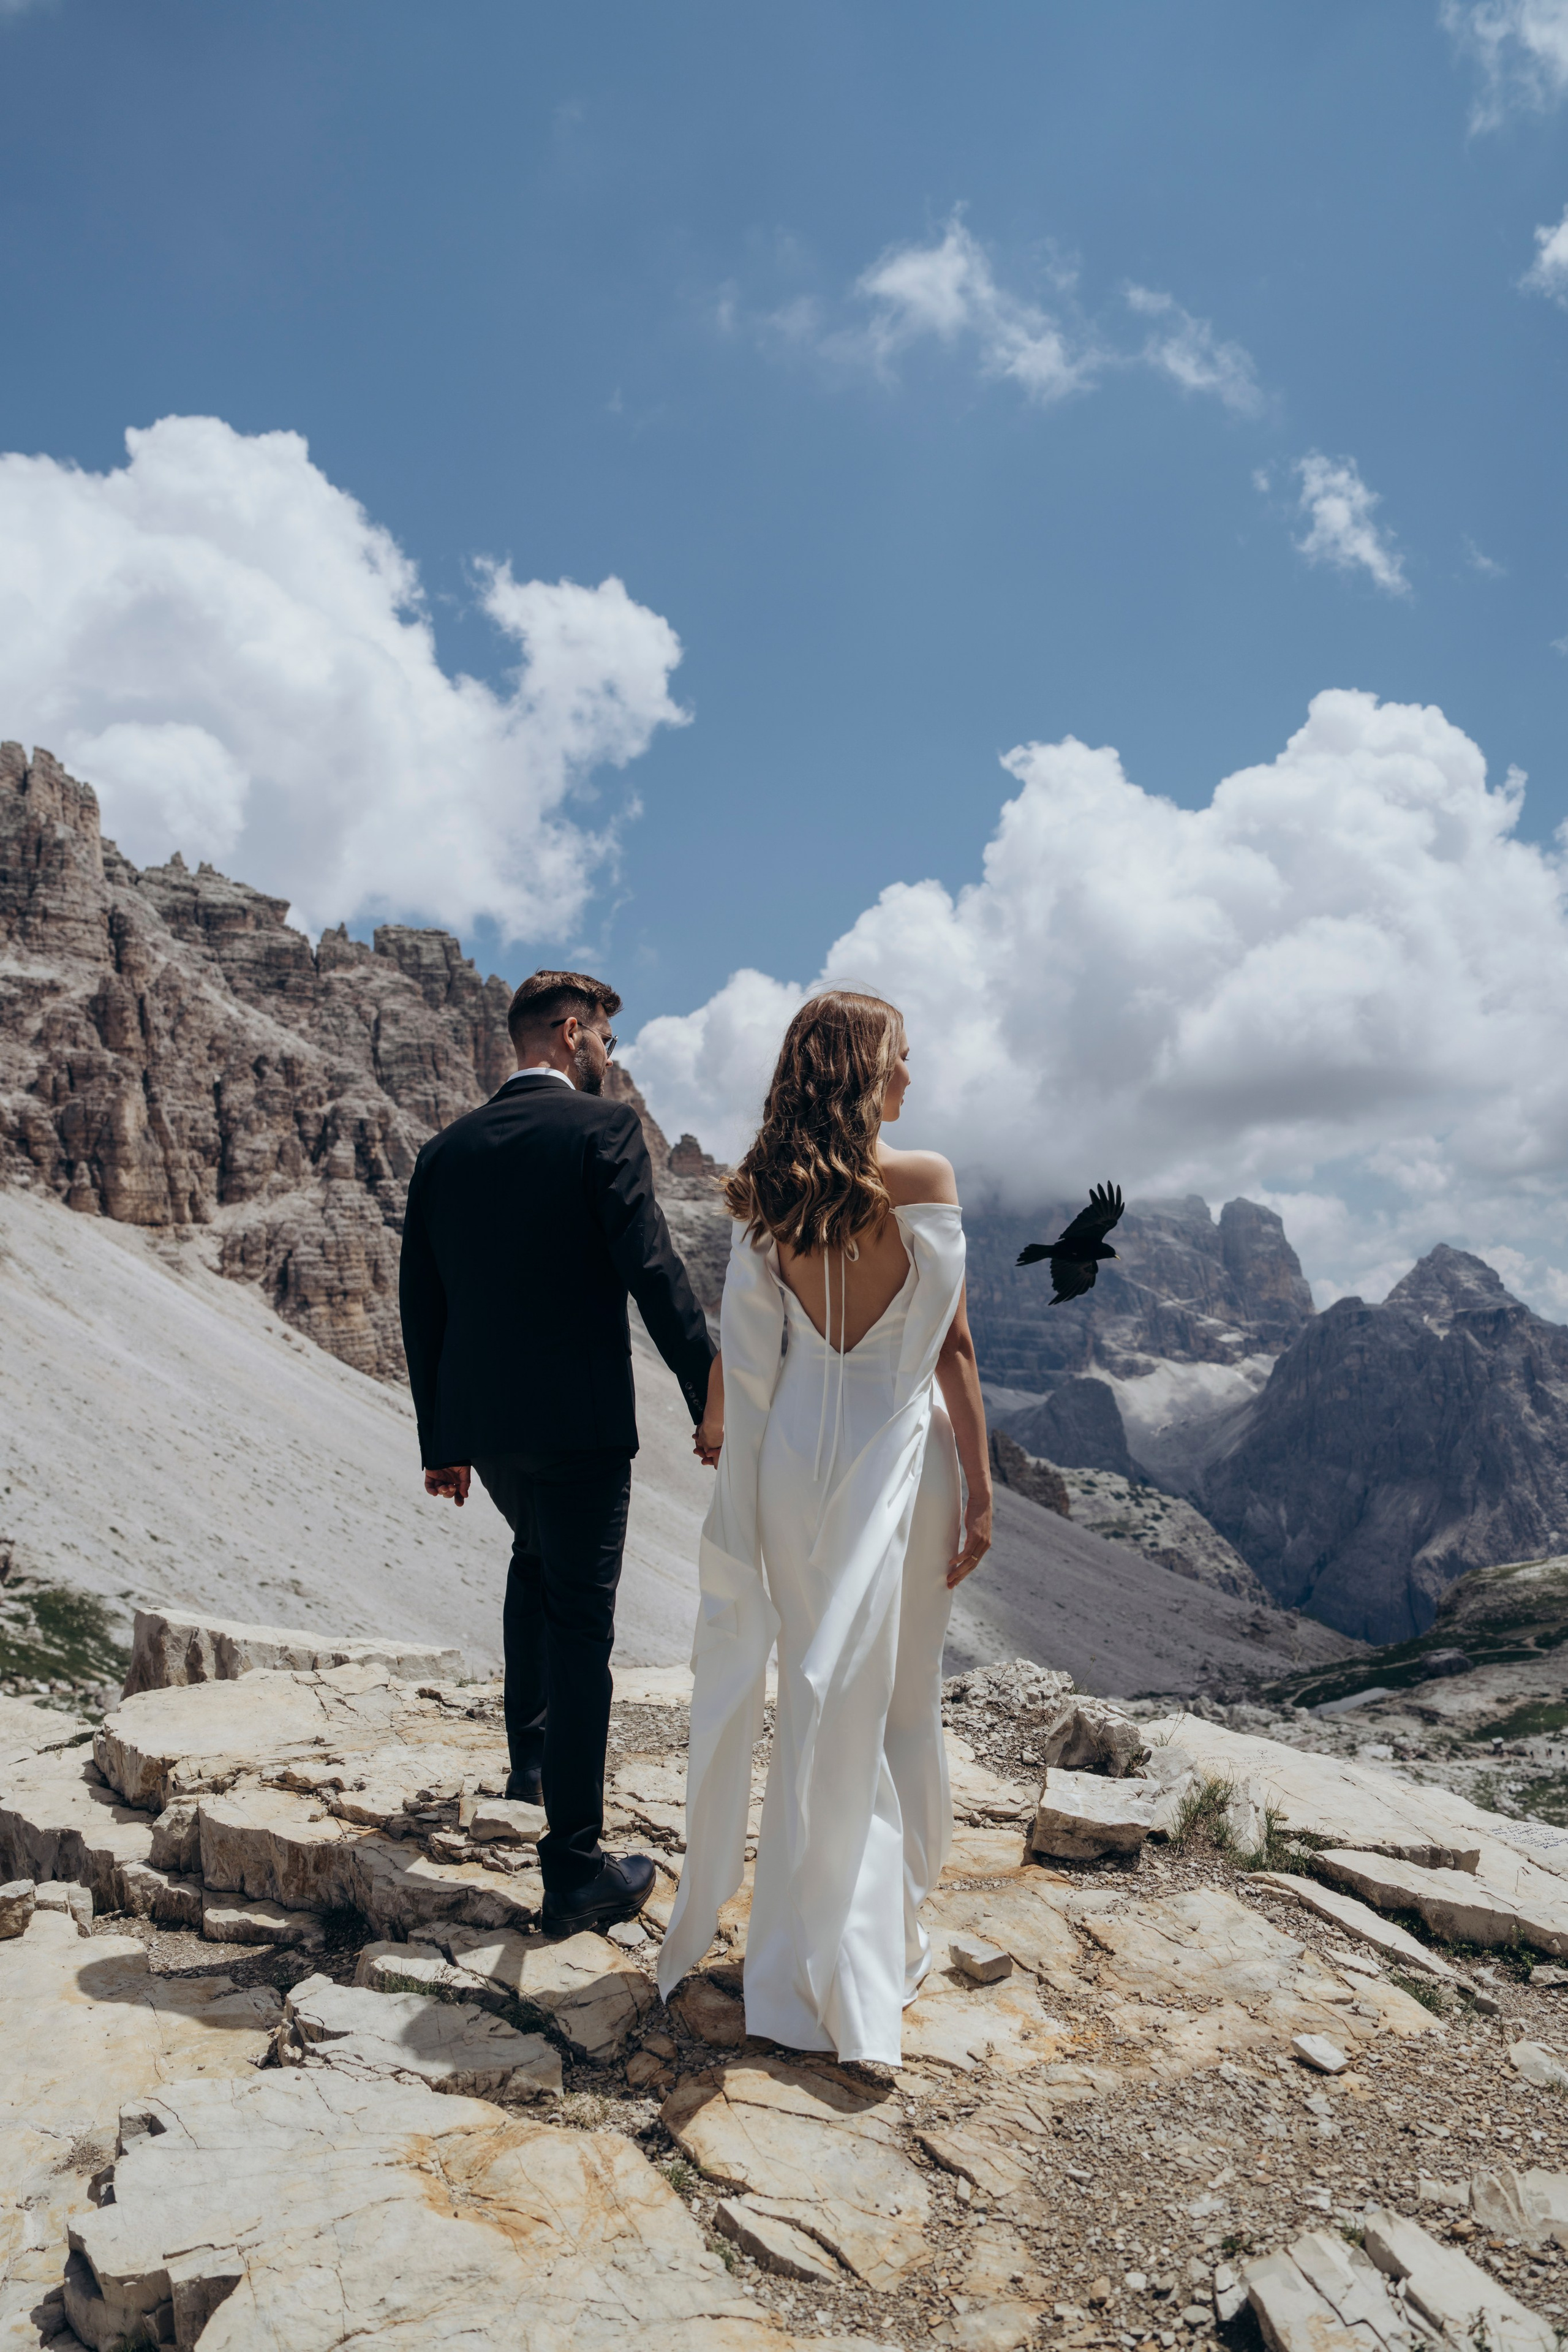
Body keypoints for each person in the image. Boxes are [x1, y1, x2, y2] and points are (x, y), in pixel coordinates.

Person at [657, 988, 992, 2063]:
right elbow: (954, 1349)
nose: (911, 1078)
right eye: (900, 1058)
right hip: (901, 1450)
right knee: (898, 1695)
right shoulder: (925, 1179)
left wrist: (726, 1439)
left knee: (813, 1691)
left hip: (794, 1459)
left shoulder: (767, 1193)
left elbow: (746, 1347)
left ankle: (799, 1955)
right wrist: (982, 1490)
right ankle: (875, 1941)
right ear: (862, 1069)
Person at [398, 969, 718, 1936]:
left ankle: (529, 1769)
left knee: (532, 1562)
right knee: (582, 1626)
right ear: (572, 1033)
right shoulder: (602, 1129)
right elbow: (651, 1266)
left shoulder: (443, 1152)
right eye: (607, 1041)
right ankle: (575, 1869)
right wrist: (709, 1390)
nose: (611, 1058)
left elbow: (423, 1303)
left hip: (489, 1430)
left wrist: (443, 1440)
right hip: (579, 1426)